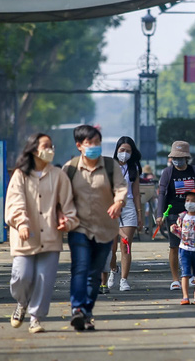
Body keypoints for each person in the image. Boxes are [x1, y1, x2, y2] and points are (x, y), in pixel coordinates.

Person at [5, 133, 79, 334]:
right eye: (46, 146)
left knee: (44, 280)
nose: (50, 150)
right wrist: (21, 223)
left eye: (51, 146)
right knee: (22, 276)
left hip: (50, 236)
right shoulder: (20, 175)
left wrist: (67, 221)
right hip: (25, 237)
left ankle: (35, 319)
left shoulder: (58, 175)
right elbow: (14, 203)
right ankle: (21, 302)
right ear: (34, 149)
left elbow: (68, 205)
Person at [63, 125, 127, 331]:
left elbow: (121, 188)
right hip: (78, 228)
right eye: (90, 143)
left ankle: (87, 312)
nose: (94, 147)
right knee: (80, 268)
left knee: (94, 272)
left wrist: (118, 202)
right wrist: (60, 215)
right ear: (79, 145)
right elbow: (60, 196)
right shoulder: (70, 168)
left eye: (97, 142)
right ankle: (77, 309)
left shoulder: (110, 166)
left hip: (105, 229)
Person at [156, 141, 195, 291]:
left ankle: (192, 275)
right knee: (174, 246)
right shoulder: (167, 172)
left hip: (193, 214)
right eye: (174, 157)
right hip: (174, 214)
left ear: (186, 158)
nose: (177, 160)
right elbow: (162, 194)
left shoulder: (194, 171)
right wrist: (159, 215)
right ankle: (175, 279)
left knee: (192, 245)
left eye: (180, 157)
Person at [102, 136, 143, 293]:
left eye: (128, 151)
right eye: (122, 150)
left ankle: (124, 280)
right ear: (116, 151)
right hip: (112, 207)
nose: (124, 153)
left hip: (129, 206)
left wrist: (139, 214)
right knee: (111, 248)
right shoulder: (109, 167)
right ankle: (113, 270)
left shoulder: (134, 169)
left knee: (126, 244)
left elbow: (137, 193)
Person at [169, 189, 195, 305]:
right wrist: (175, 230)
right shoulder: (182, 217)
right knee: (185, 273)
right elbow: (180, 233)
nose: (189, 203)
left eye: (193, 201)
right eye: (187, 200)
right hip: (184, 249)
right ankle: (185, 296)